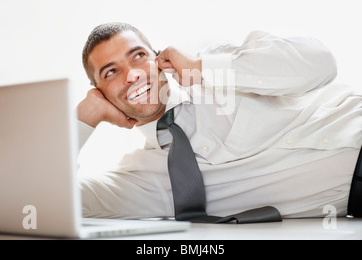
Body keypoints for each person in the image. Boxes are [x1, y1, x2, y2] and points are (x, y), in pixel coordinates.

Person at [77, 22, 362, 219]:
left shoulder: (220, 65)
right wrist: (83, 120)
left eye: (138, 56)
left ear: (158, 58)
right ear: (99, 93)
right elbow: (44, 200)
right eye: (110, 72)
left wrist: (202, 68)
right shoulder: (142, 179)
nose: (132, 75)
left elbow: (321, 63)